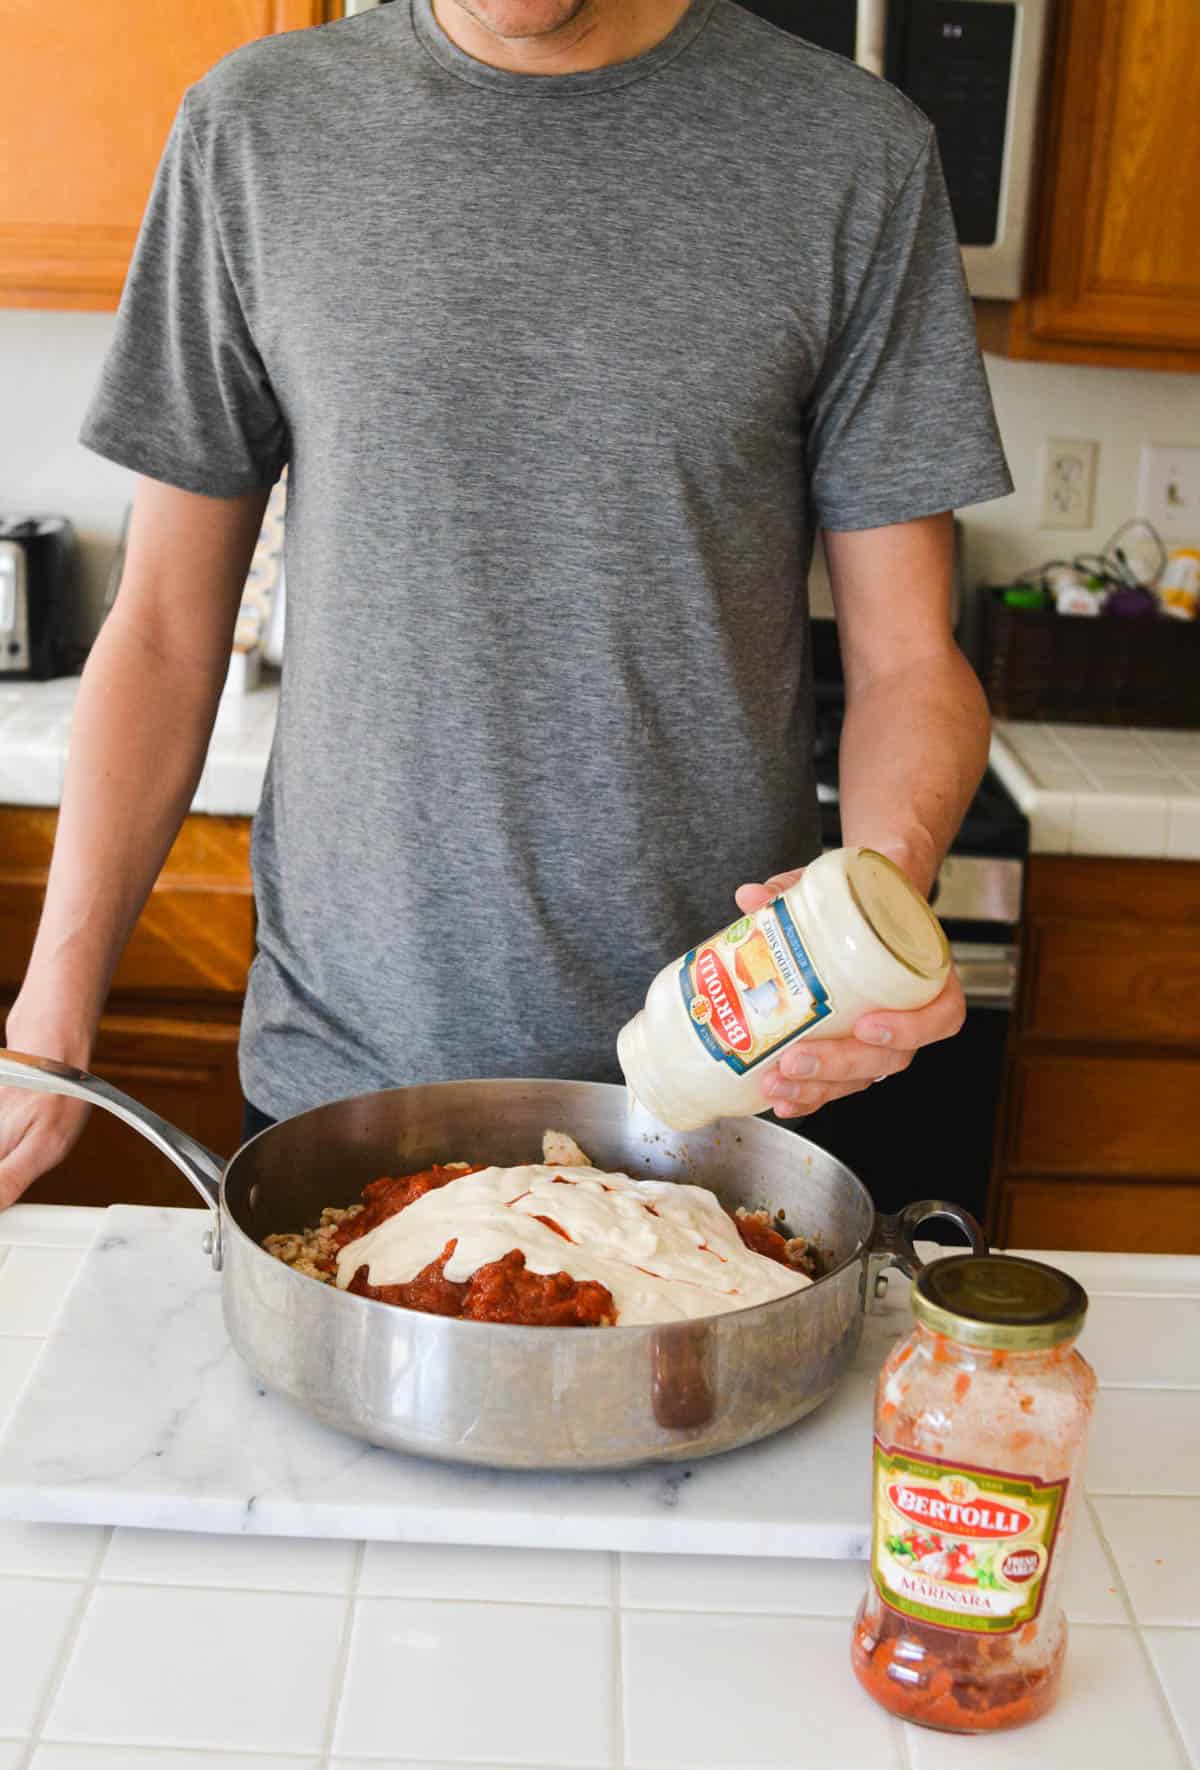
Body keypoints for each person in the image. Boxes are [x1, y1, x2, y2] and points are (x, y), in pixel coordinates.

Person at [0, 0, 1011, 1209]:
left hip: (720, 1099)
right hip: (348, 1095)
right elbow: (164, 628)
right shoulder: (257, 131)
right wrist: (51, 1011)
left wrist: (877, 898)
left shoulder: (851, 154)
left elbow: (907, 664)